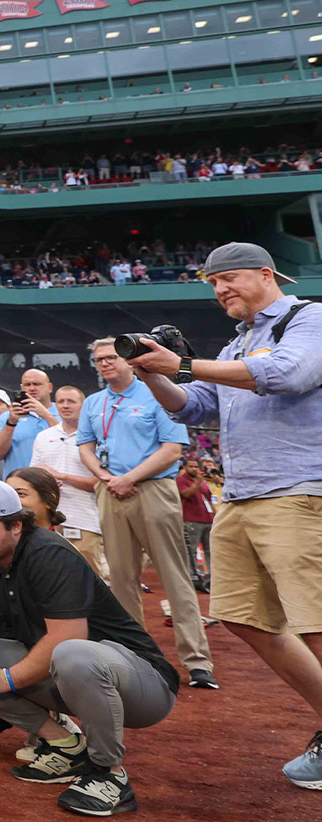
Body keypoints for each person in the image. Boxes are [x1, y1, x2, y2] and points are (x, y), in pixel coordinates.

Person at [123, 241, 322, 788]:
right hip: (241, 495)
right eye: (213, 284)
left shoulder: (311, 318)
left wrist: (182, 362)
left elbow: (288, 375)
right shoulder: (239, 343)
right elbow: (196, 406)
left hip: (300, 491)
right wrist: (152, 373)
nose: (220, 291)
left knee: (317, 622)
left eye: (229, 279)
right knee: (242, 615)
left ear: (266, 274)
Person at [0, 478, 178, 817]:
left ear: (16, 525)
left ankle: (108, 773)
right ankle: (65, 744)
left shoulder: (48, 552)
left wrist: (10, 678)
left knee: (72, 652)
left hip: (142, 686)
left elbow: (67, 636)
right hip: (71, 677)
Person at [74, 338, 216, 690]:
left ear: (127, 360)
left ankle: (198, 662)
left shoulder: (157, 392)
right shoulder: (93, 402)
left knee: (174, 575)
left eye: (110, 358)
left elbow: (172, 451)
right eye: (98, 360)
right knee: (121, 578)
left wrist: (129, 478)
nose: (104, 364)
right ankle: (135, 657)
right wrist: (107, 478)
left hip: (152, 489)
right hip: (110, 490)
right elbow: (84, 447)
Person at [31, 385, 109, 580]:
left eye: (71, 401)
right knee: (51, 578)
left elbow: (103, 482)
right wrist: (45, 481)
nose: (65, 406)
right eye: (61, 401)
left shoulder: (98, 437)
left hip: (86, 521)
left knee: (89, 579)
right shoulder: (43, 437)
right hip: (47, 521)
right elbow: (32, 476)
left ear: (83, 406)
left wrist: (61, 476)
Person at [0, 369, 55, 474]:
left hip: (57, 485)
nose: (32, 388)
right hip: (18, 485)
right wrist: (11, 423)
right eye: (27, 385)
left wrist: (46, 415)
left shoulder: (63, 413)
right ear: (21, 388)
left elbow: (73, 443)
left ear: (50, 387)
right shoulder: (7, 417)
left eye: (37, 384)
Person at [176, 460, 214, 591]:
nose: (194, 469)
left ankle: (210, 577)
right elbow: (186, 494)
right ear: (185, 467)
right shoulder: (181, 480)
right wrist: (198, 482)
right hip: (191, 519)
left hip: (207, 519)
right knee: (190, 551)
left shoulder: (203, 481)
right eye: (191, 466)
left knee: (210, 551)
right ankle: (190, 577)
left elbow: (209, 498)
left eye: (196, 467)